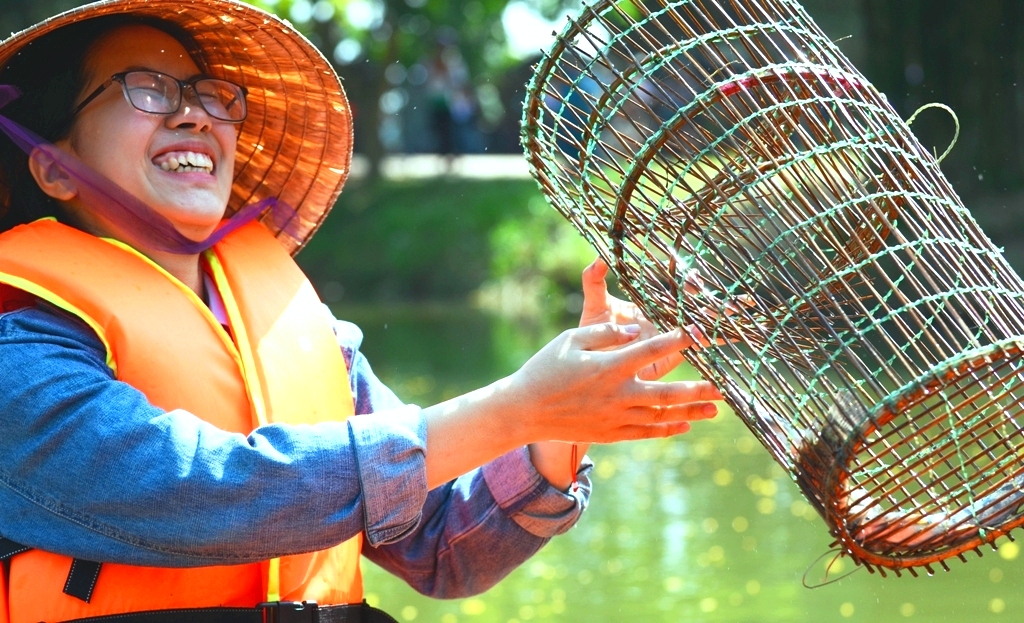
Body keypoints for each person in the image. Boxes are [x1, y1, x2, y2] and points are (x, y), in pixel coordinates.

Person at [0, 1, 721, 622]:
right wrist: (512, 406)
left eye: (208, 93)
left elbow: (443, 544)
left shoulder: (307, 336)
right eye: (147, 89)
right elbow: (191, 489)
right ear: (54, 166)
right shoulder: (19, 347)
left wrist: (554, 421)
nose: (194, 111)